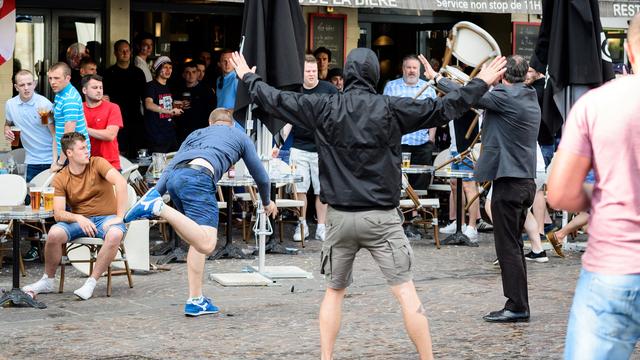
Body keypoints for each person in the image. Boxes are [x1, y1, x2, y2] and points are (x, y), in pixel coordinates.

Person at [231, 48, 506, 359]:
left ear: (347, 74)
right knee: (405, 292)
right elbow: (443, 109)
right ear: (375, 75)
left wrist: (248, 77)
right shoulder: (389, 107)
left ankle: (326, 357)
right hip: (381, 217)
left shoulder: (324, 105)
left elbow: (276, 100)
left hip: (339, 218)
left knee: (334, 293)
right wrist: (480, 81)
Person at [124, 108, 278, 316]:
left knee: (197, 239)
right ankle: (159, 208)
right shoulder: (239, 136)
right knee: (207, 244)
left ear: (209, 122)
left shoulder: (195, 134)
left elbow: (169, 168)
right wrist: (267, 202)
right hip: (199, 178)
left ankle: (195, 300)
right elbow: (261, 177)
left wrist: (155, 193)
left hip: (175, 179)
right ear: (231, 123)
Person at [548, 15, 640, 354]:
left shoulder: (597, 103)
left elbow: (559, 193)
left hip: (614, 268)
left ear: (628, 52)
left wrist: (604, 193)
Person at [425, 55, 540, 322]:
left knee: (507, 247)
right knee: (513, 246)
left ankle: (517, 306)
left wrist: (436, 78)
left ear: (501, 76)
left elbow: (467, 95)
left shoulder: (504, 97)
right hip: (524, 183)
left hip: (510, 183)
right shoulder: (528, 96)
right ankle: (519, 303)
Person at [22, 132, 128, 300]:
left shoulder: (97, 163)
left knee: (115, 233)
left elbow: (121, 182)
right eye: (82, 148)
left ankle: (91, 283)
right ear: (69, 153)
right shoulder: (61, 177)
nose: (87, 151)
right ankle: (47, 280)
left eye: (87, 147)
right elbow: (58, 213)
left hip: (106, 218)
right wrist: (78, 218)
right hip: (80, 220)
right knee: (54, 233)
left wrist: (120, 216)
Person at [272, 55, 338, 242]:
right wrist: (278, 145)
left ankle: (321, 227)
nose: (311, 75)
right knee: (300, 189)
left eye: (314, 71)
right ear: (301, 73)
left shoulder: (330, 90)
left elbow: (338, 116)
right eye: (308, 71)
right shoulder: (296, 91)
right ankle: (301, 224)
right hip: (299, 146)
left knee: (321, 190)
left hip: (323, 147)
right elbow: (287, 121)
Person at [4, 69, 56, 261]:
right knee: (31, 207)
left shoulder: (44, 104)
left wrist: (55, 162)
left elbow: (54, 134)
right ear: (16, 87)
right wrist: (7, 130)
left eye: (29, 84)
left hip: (49, 160)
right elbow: (8, 123)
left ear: (34, 84)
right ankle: (35, 247)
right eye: (22, 85)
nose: (26, 88)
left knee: (53, 206)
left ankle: (53, 248)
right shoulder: (10, 104)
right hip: (31, 160)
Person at [102, 39, 147, 159]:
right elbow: (104, 97)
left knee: (136, 152)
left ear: (131, 52)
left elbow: (145, 97)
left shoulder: (138, 73)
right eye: (122, 51)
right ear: (115, 53)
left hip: (135, 117)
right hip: (115, 117)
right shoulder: (108, 73)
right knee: (118, 152)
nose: (125, 53)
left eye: (127, 50)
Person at [48, 62, 91, 169]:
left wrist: (60, 162)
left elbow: (69, 135)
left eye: (57, 78)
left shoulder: (69, 98)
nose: (52, 82)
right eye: (50, 78)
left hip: (74, 156)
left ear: (67, 78)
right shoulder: (60, 93)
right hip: (67, 154)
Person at [82, 74, 123, 170]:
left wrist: (85, 129)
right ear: (84, 90)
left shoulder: (113, 107)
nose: (99, 90)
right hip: (84, 165)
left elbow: (110, 135)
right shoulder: (78, 108)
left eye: (101, 87)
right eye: (95, 87)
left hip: (109, 165)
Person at [144, 56, 183, 153]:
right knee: (158, 166)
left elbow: (167, 103)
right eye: (165, 67)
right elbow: (148, 104)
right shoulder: (151, 85)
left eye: (170, 68)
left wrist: (176, 106)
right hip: (156, 135)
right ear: (158, 69)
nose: (168, 70)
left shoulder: (168, 86)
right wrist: (169, 111)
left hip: (170, 134)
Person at [173, 61, 215, 144]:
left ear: (197, 74)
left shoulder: (207, 90)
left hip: (201, 132)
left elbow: (212, 111)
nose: (191, 75)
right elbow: (173, 110)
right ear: (183, 75)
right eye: (187, 72)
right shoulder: (177, 90)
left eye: (194, 72)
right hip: (182, 132)